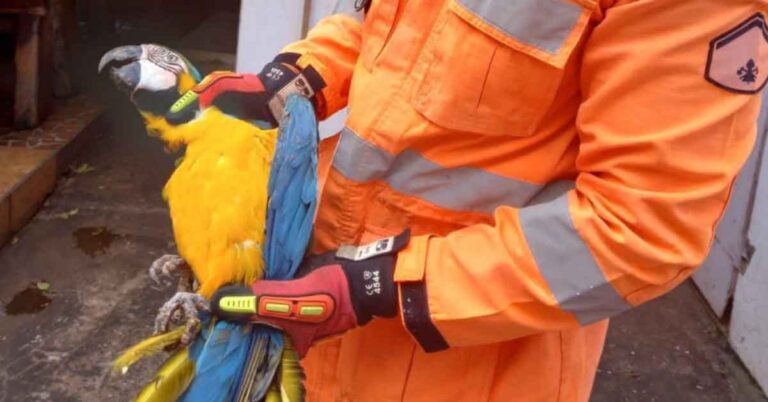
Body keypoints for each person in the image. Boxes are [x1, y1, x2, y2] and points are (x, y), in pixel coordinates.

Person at [199, 1, 767, 401]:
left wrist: (377, 285)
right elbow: (385, 25)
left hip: (467, 364)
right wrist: (304, 73)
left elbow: (642, 230)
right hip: (316, 297)